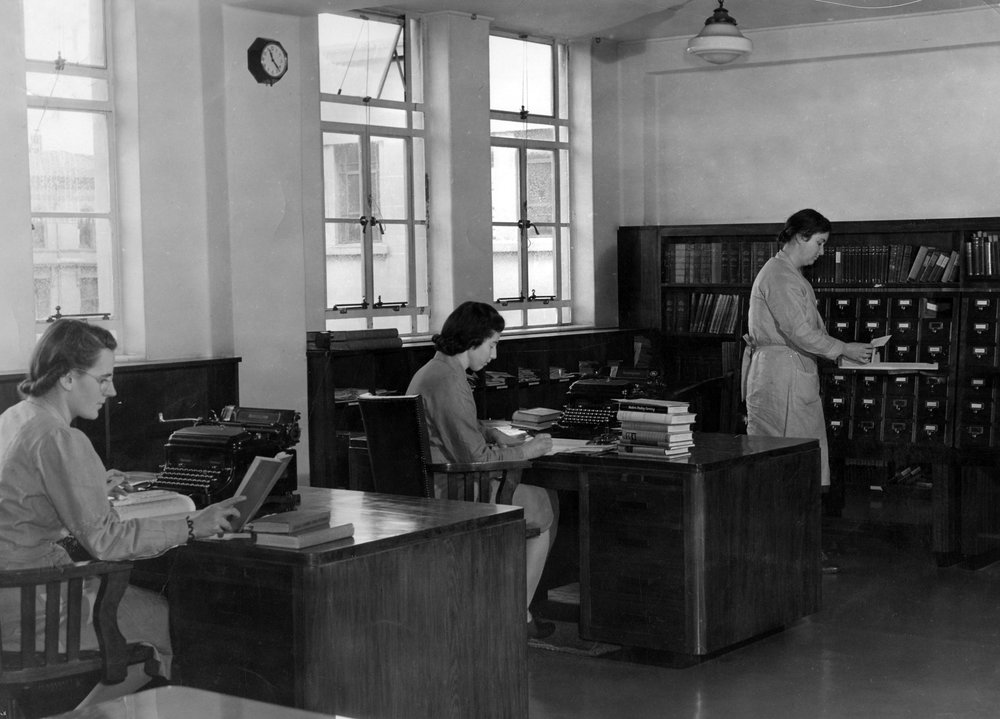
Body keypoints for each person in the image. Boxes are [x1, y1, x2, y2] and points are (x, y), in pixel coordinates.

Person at [0, 319, 243, 705]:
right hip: (33, 611)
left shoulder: (15, 418)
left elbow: (23, 503)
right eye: (103, 379)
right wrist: (192, 524)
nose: (111, 391)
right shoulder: (61, 437)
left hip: (11, 596)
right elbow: (106, 541)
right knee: (164, 619)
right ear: (66, 377)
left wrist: (91, 487)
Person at [406, 301, 559, 640]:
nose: (494, 355)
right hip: (456, 491)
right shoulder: (450, 381)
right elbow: (475, 458)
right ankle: (516, 612)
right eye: (492, 344)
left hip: (435, 486)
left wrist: (491, 432)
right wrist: (527, 449)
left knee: (538, 502)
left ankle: (516, 608)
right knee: (546, 505)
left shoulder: (433, 371)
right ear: (471, 342)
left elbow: (455, 428)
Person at [743, 209, 872, 570]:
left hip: (787, 374)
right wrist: (843, 348)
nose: (822, 252)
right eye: (819, 243)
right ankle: (787, 552)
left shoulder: (787, 274)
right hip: (781, 379)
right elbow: (799, 331)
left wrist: (837, 350)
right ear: (800, 237)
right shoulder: (781, 277)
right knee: (787, 466)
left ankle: (791, 549)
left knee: (792, 466)